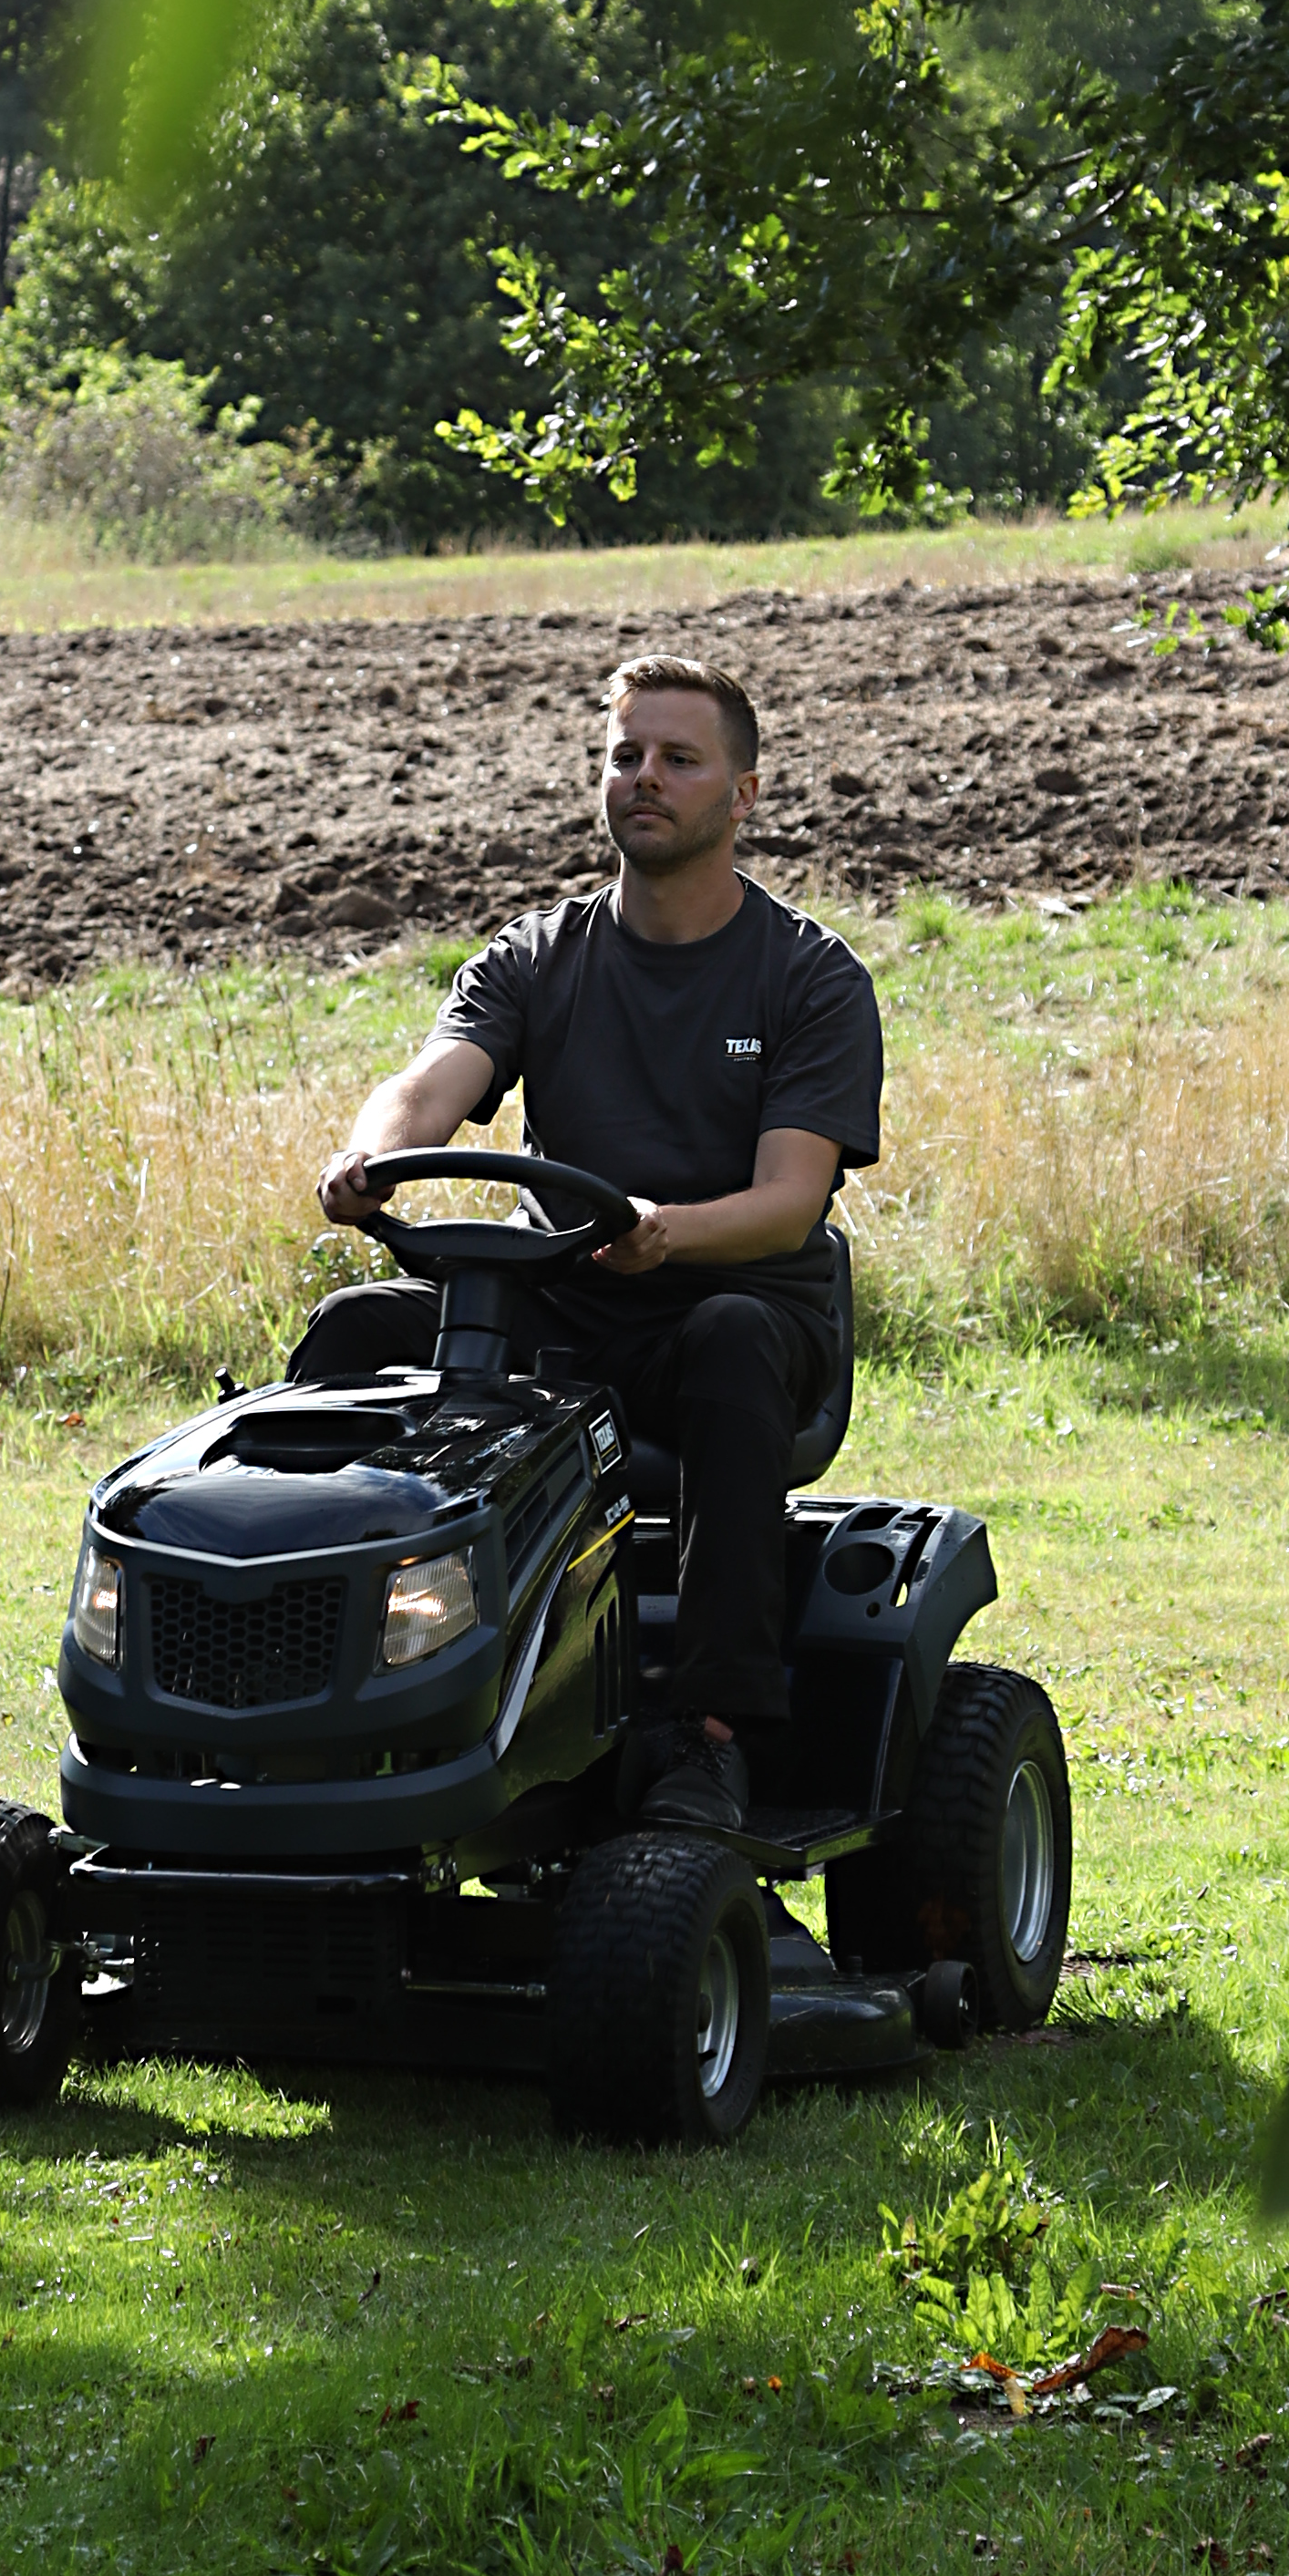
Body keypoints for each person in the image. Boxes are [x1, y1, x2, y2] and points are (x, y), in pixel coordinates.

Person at [318, 661, 884, 1842]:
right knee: (355, 1334)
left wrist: (664, 1232)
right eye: (626, 756)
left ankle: (712, 1737)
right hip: (566, 1308)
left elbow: (789, 1204)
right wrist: (371, 1153)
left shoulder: (809, 977)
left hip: (730, 1314)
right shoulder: (540, 956)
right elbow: (429, 1084)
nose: (645, 779)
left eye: (679, 759)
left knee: (732, 1340)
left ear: (743, 793)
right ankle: (332, 1677)